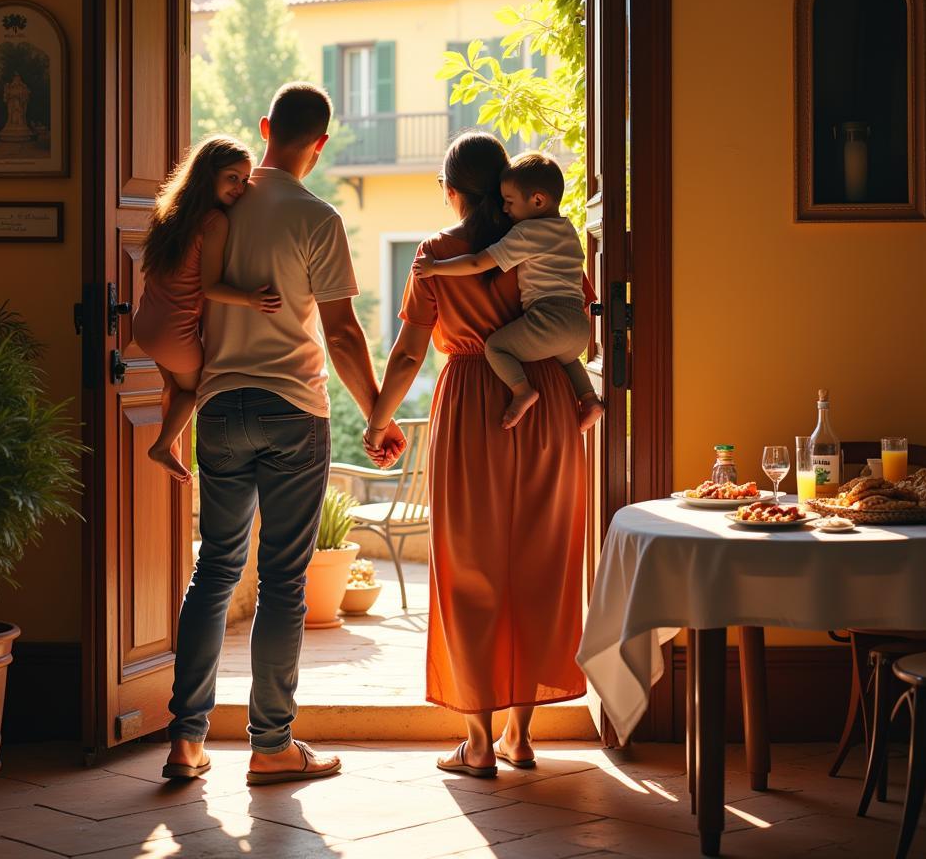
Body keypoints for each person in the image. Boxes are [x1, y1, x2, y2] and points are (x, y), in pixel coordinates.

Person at [163, 83, 405, 786]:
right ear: (322, 144)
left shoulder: (219, 206)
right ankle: (271, 747)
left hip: (218, 405)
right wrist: (377, 416)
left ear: (266, 127)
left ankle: (186, 740)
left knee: (213, 571)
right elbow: (342, 334)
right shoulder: (317, 218)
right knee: (283, 582)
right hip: (293, 409)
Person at [364, 131, 587, 778]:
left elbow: (408, 354)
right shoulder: (546, 237)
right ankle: (522, 736)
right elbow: (578, 314)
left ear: (454, 192)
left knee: (470, 568)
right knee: (541, 562)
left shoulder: (438, 255)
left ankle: (480, 743)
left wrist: (378, 421)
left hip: (470, 407)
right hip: (544, 401)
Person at [413, 150, 602, 432]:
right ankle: (589, 398)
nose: (504, 209)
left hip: (549, 317)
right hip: (577, 325)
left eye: (510, 202)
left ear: (537, 200)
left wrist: (436, 267)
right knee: (568, 358)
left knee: (496, 346)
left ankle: (523, 391)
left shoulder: (525, 234)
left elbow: (478, 262)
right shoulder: (567, 230)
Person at [135, 136, 281, 483]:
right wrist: (252, 299)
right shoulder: (214, 222)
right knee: (194, 389)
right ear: (208, 174)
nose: (240, 188)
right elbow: (211, 287)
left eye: (245, 181)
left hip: (144, 326)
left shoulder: (170, 211)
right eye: (232, 177)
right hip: (172, 334)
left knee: (173, 386)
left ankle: (169, 445)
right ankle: (162, 446)